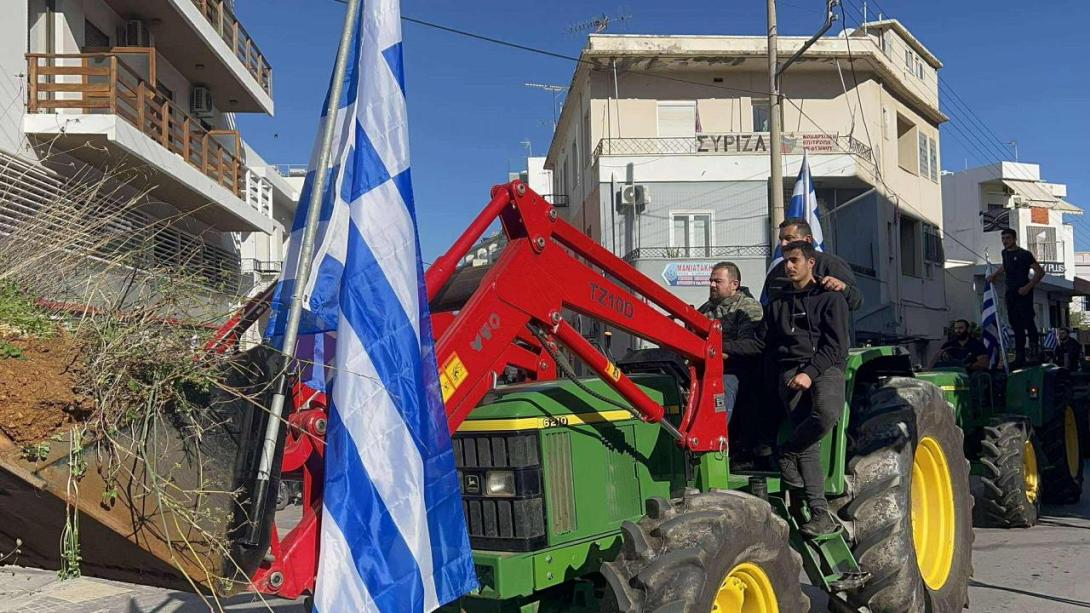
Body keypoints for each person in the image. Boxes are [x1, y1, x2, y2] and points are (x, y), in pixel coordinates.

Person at [730, 241, 850, 537]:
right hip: (789, 371)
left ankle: (786, 452)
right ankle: (819, 514)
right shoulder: (778, 304)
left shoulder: (830, 299)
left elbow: (837, 346)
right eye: (786, 261)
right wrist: (719, 347)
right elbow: (760, 343)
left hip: (826, 367)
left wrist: (810, 373)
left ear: (811, 263)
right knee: (809, 445)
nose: (789, 265)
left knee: (825, 413)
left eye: (794, 260)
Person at [698, 262, 763, 445]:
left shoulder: (748, 307)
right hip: (708, 365)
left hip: (737, 368)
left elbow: (748, 346)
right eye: (711, 281)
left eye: (717, 281)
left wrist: (717, 352)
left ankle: (715, 443)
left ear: (734, 284)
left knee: (721, 393)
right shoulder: (706, 309)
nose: (712, 285)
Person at [764, 218, 862, 311]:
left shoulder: (831, 264)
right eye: (781, 240)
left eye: (789, 238)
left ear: (807, 240)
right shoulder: (776, 272)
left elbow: (857, 301)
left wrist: (843, 288)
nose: (783, 244)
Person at [986, 228, 1045, 367]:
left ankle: (1034, 352)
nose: (1005, 241)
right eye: (1003, 238)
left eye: (1008, 238)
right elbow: (1005, 267)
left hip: (1023, 292)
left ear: (1014, 239)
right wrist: (995, 275)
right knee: (1015, 324)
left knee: (1028, 322)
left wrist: (1028, 287)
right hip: (1010, 293)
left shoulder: (1025, 254)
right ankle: (1020, 356)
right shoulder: (1004, 253)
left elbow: (1040, 272)